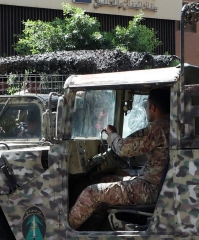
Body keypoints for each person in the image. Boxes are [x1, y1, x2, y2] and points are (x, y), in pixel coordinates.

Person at [68, 89, 170, 230]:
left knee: (92, 192)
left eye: (147, 106)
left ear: (153, 108)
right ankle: (92, 231)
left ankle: (64, 233)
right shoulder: (171, 125)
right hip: (155, 184)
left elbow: (123, 149)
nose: (146, 110)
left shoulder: (159, 128)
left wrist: (111, 133)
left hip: (151, 189)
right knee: (106, 181)